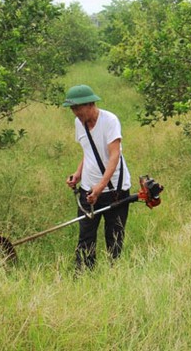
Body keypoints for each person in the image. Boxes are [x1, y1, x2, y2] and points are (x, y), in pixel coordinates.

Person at [63, 84, 132, 270]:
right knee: (85, 237)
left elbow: (114, 155)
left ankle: (114, 274)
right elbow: (88, 151)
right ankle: (84, 274)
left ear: (90, 104)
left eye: (78, 107)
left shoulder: (110, 121)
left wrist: (101, 186)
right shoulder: (79, 123)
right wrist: (77, 174)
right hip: (88, 190)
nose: (75, 112)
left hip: (115, 191)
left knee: (114, 237)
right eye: (72, 109)